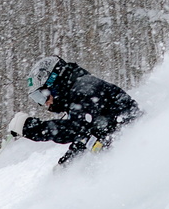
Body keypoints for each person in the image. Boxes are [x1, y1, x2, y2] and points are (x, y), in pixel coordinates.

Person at [8, 55, 140, 165]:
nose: (45, 103)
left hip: (136, 149)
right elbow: (86, 136)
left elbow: (77, 128)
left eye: (41, 96)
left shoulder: (85, 88)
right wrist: (67, 165)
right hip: (126, 151)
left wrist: (33, 128)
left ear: (53, 82)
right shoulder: (77, 94)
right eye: (37, 99)